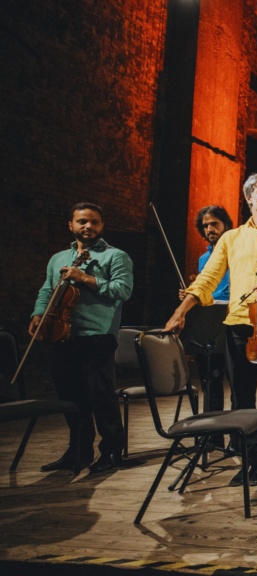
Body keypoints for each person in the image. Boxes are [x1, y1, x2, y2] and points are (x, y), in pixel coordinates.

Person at [165, 173, 257, 487]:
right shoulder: (230, 239)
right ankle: (250, 456)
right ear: (249, 199)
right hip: (237, 325)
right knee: (242, 398)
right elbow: (207, 279)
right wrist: (181, 311)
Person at [31, 202, 133, 474]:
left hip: (97, 336)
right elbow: (47, 290)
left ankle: (112, 452)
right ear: (71, 225)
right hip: (61, 335)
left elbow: (123, 291)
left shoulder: (116, 256)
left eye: (94, 222)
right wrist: (38, 314)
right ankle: (78, 450)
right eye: (82, 222)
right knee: (72, 398)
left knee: (101, 397)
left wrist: (86, 278)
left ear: (102, 226)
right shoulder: (58, 258)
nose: (88, 226)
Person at [179, 205, 234, 451]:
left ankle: (237, 435)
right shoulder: (204, 258)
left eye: (215, 224)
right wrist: (192, 294)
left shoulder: (237, 250)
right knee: (210, 381)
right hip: (210, 320)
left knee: (235, 382)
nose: (210, 229)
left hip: (232, 318)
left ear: (225, 224)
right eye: (206, 226)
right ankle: (212, 437)